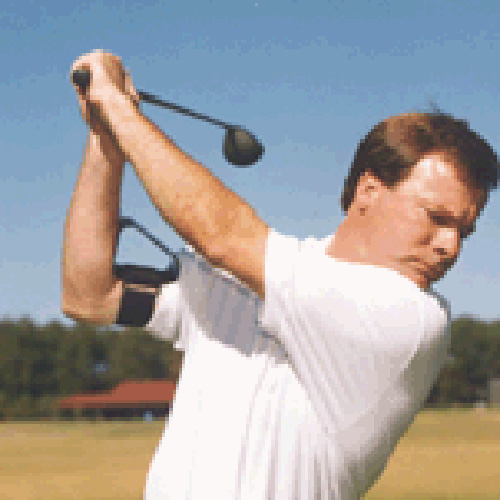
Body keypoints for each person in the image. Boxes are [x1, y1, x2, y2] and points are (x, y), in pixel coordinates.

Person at [62, 50, 498, 500]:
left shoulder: (413, 319)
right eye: (436, 217)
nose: (451, 246)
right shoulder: (266, 275)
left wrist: (118, 110)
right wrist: (104, 138)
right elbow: (90, 297)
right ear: (368, 190)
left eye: (464, 231)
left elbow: (223, 237)